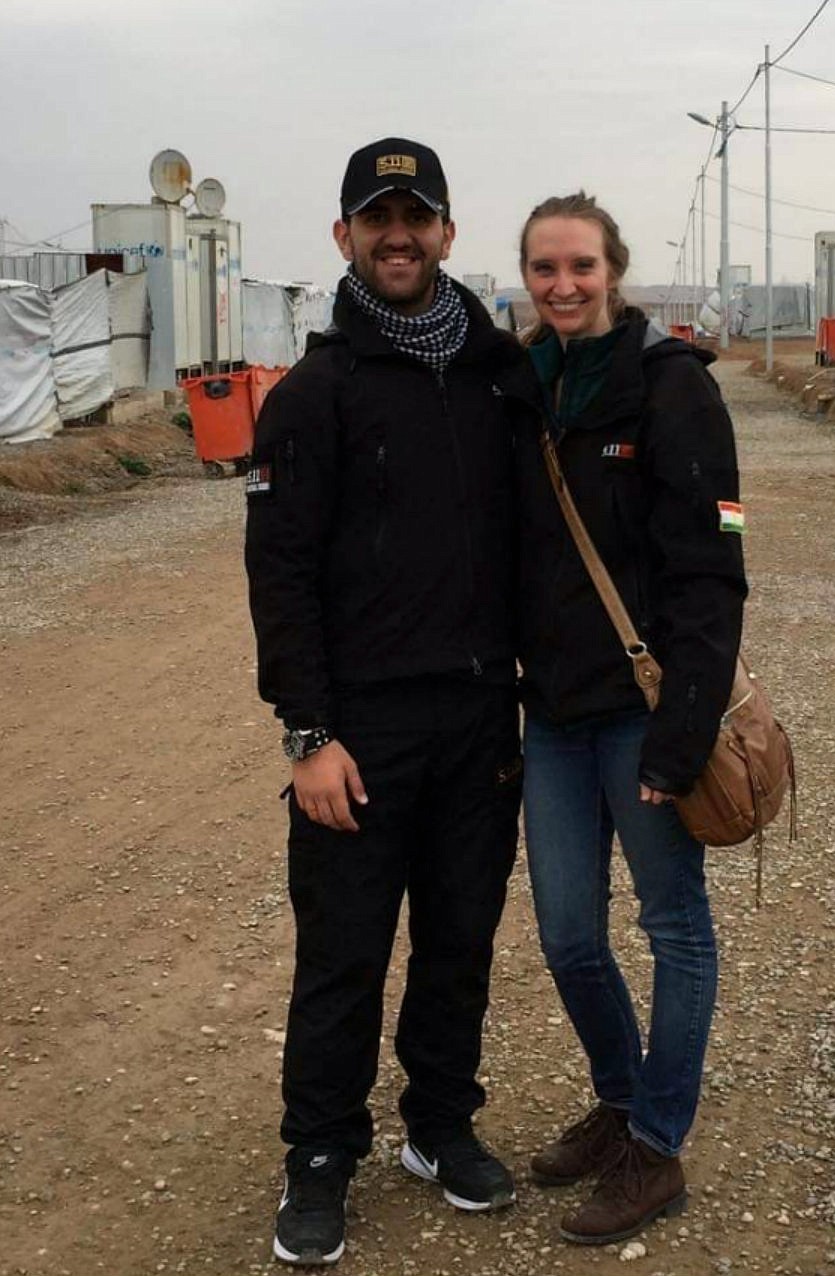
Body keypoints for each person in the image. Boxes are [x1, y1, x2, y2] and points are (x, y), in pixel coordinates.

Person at [245, 138, 525, 1267]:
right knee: (344, 955)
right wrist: (309, 733)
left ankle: (440, 1126)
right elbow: (281, 574)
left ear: (450, 233)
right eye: (377, 217)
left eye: (417, 217)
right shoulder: (313, 394)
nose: (397, 235)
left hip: (479, 724)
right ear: (344, 237)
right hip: (358, 734)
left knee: (459, 941)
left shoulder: (506, 378)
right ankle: (318, 1158)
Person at [506, 192, 748, 1245]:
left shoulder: (672, 388)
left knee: (671, 927)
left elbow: (711, 575)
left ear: (614, 268)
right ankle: (617, 1100)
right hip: (552, 716)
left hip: (641, 723)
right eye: (544, 269)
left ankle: (655, 1145)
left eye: (581, 267)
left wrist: (682, 735)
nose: (563, 286)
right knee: (566, 933)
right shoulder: (521, 385)